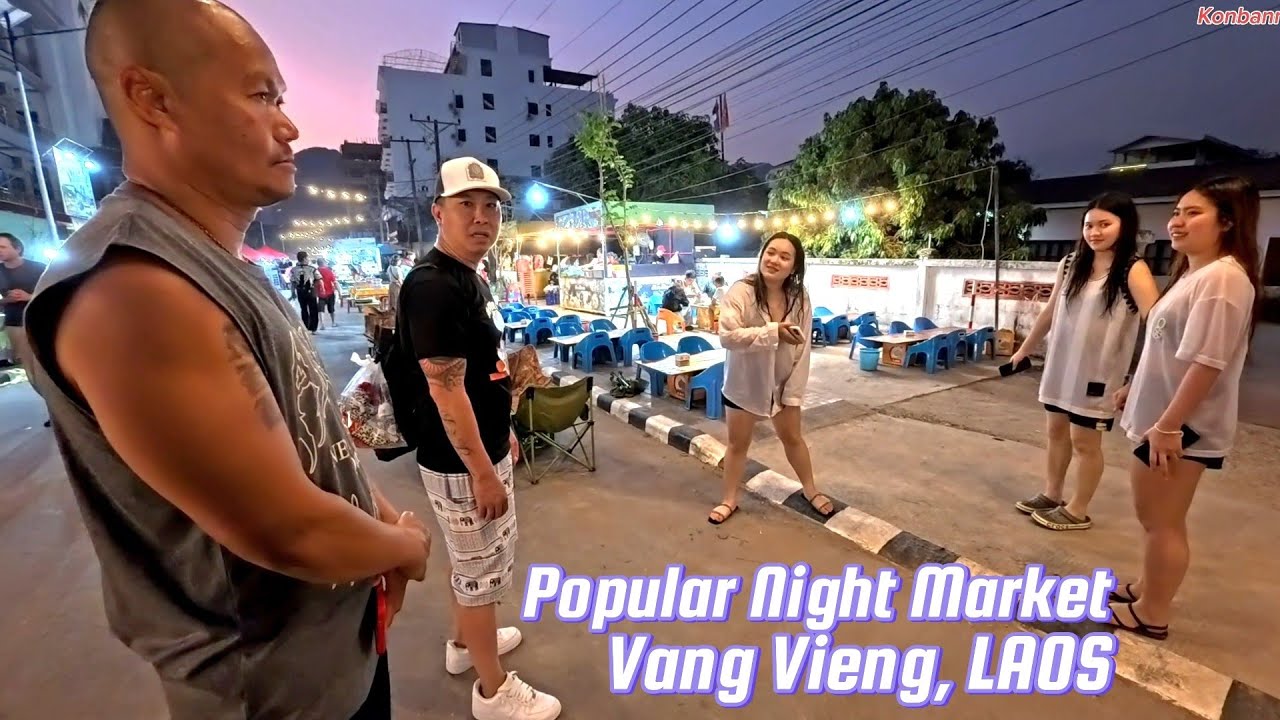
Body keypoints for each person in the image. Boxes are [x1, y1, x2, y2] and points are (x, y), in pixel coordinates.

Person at [22, 2, 430, 717]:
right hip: (273, 692)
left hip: (338, 657)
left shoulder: (213, 262)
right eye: (260, 94)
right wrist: (400, 548)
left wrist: (383, 524)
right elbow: (287, 529)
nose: (289, 125)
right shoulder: (135, 288)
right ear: (152, 98)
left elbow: (312, 443)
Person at [398, 157, 561, 720]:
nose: (481, 217)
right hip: (461, 463)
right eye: (465, 205)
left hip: (479, 450)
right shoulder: (434, 287)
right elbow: (446, 392)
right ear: (438, 212)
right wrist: (484, 471)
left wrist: (504, 434)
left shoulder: (466, 276)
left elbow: (482, 369)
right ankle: (493, 691)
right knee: (479, 573)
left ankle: (466, 645)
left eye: (490, 205)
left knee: (472, 565)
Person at [1108, 176, 1261, 641]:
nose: (1177, 221)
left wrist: (1170, 425)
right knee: (1154, 519)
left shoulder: (1222, 281)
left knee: (1163, 522)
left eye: (1193, 213)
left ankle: (1152, 611)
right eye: (1176, 212)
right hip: (1162, 417)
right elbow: (1169, 347)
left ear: (1227, 222)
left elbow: (1207, 363)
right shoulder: (1196, 274)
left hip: (1179, 428)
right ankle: (1146, 587)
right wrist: (1135, 386)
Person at [1010, 193, 1160, 531]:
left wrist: (1136, 378)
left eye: (1105, 224)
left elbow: (1158, 326)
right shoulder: (1071, 263)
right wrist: (1023, 350)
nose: (1095, 231)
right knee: (1056, 432)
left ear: (1125, 226)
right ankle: (1052, 494)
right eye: (1089, 224)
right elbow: (1050, 311)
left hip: (1099, 375)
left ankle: (1078, 509)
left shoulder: (1132, 270)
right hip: (1060, 367)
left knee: (1085, 443)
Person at [711, 232, 833, 524]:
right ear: (762, 254)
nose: (774, 260)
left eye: (784, 256)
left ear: (794, 266)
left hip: (782, 384)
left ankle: (810, 489)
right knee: (738, 444)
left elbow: (802, 350)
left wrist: (792, 392)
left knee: (792, 438)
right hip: (744, 385)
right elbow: (727, 336)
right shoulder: (741, 291)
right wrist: (772, 331)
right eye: (771, 252)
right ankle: (729, 500)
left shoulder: (800, 297)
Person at [0, 233, 47, 368]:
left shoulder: (39, 268)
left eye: (2, 247)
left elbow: (57, 293)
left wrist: (29, 297)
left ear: (17, 249)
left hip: (42, 320)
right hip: (14, 322)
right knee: (22, 363)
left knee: (45, 360)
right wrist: (6, 300)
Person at [293, 250, 321, 332]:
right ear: (305, 258)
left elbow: (293, 282)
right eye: (307, 257)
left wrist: (293, 293)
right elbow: (319, 279)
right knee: (313, 309)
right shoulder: (312, 269)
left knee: (303, 309)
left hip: (300, 292)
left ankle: (306, 326)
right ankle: (313, 328)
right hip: (310, 291)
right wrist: (320, 289)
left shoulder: (294, 270)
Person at [317, 256, 340, 328]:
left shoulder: (315, 271)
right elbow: (335, 282)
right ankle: (333, 322)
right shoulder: (329, 271)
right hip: (330, 293)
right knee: (331, 308)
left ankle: (322, 324)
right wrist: (339, 292)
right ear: (324, 263)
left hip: (320, 294)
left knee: (321, 309)